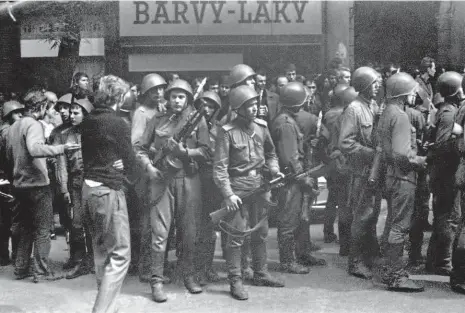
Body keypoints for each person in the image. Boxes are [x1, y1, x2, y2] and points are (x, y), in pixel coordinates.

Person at [134, 79, 208, 302]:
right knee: (160, 232)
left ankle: (188, 276)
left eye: (181, 96)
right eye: (173, 96)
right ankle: (156, 280)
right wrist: (148, 167)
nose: (177, 100)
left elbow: (206, 151)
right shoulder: (156, 119)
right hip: (161, 179)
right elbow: (139, 148)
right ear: (167, 98)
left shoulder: (197, 120)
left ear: (188, 99)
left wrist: (185, 152)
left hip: (188, 179)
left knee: (189, 231)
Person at [213, 85, 285, 300]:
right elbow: (220, 168)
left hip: (260, 186)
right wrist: (228, 194)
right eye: (249, 105)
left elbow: (271, 153)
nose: (254, 108)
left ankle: (261, 273)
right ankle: (235, 280)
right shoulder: (226, 132)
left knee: (261, 233)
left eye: (255, 103)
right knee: (236, 236)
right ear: (238, 109)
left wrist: (274, 169)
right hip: (238, 189)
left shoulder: (262, 127)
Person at [5, 90, 80, 281]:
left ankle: (21, 268)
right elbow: (34, 148)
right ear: (41, 107)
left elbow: (9, 156)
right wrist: (61, 149)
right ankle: (41, 271)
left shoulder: (14, 126)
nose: (50, 110)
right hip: (37, 185)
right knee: (43, 229)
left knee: (26, 228)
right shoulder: (34, 124)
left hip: (19, 185)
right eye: (48, 107)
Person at [80, 75, 136, 313]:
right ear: (119, 96)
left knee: (101, 253)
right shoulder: (118, 123)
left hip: (88, 191)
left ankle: (106, 308)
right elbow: (131, 160)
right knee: (121, 254)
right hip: (109, 192)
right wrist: (123, 164)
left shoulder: (88, 120)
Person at [374, 72, 426, 292]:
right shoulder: (401, 116)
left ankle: (388, 269)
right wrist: (420, 160)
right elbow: (402, 154)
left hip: (390, 176)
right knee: (400, 227)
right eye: (412, 91)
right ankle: (397, 276)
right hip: (404, 177)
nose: (415, 94)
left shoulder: (386, 113)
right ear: (403, 93)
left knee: (391, 224)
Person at [271, 82, 326, 274]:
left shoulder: (286, 119)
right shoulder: (286, 124)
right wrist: (304, 178)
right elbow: (290, 158)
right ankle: (287, 261)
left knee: (300, 218)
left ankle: (302, 253)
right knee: (288, 221)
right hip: (290, 181)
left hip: (294, 178)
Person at [339, 66, 381, 279]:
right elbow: (345, 143)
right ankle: (355, 263)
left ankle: (370, 257)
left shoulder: (373, 106)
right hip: (361, 172)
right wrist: (370, 153)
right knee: (361, 217)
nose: (378, 86)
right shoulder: (354, 109)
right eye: (374, 83)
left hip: (374, 170)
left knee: (371, 216)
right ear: (364, 85)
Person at [427, 71, 463, 276]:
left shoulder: (444, 109)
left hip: (441, 171)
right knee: (449, 218)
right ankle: (443, 263)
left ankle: (434, 260)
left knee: (443, 216)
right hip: (446, 172)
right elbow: (441, 144)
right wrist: (458, 142)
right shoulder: (449, 113)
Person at [55, 98, 95, 280]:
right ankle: (79, 260)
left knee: (94, 223)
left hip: (93, 183)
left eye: (76, 113)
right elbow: (62, 165)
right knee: (76, 224)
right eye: (70, 112)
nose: (71, 116)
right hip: (75, 185)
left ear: (85, 115)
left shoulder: (94, 134)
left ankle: (94, 260)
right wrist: (64, 189)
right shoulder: (65, 135)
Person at [195, 91, 222, 286]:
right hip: (194, 178)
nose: (206, 110)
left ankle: (207, 267)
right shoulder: (191, 127)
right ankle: (194, 268)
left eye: (211, 106)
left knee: (210, 226)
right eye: (203, 105)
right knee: (193, 227)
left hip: (212, 180)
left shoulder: (221, 129)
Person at [0, 100, 24, 266]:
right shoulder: (8, 132)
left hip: (9, 178)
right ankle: (14, 256)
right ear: (8, 116)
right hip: (7, 179)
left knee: (8, 221)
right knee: (13, 220)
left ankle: (6, 256)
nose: (21, 115)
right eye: (17, 113)